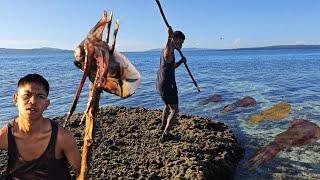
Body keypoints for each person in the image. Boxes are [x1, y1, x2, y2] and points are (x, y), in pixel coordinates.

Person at [0, 74, 81, 179]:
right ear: (15, 99)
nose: (33, 101)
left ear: (46, 104)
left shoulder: (61, 137)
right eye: (27, 95)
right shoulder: (7, 134)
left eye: (40, 96)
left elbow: (81, 170)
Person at [156, 26, 186, 142]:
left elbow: (170, 66)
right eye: (181, 42)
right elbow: (168, 54)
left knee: (168, 106)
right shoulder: (169, 50)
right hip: (167, 85)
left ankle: (163, 126)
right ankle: (166, 134)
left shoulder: (166, 51)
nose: (182, 46)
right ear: (177, 40)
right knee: (175, 110)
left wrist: (181, 62)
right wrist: (169, 37)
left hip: (160, 83)